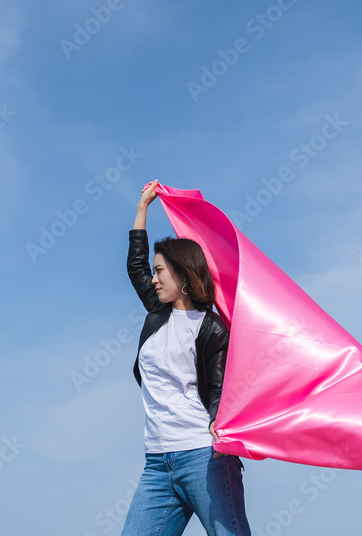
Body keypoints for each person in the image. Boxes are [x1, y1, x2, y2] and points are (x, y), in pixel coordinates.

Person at [120, 179, 252, 536]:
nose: (153, 278)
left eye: (160, 271)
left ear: (181, 273)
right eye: (154, 272)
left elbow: (219, 388)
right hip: (156, 464)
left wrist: (220, 423)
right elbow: (135, 267)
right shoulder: (157, 314)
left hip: (204, 456)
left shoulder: (211, 328)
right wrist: (142, 208)